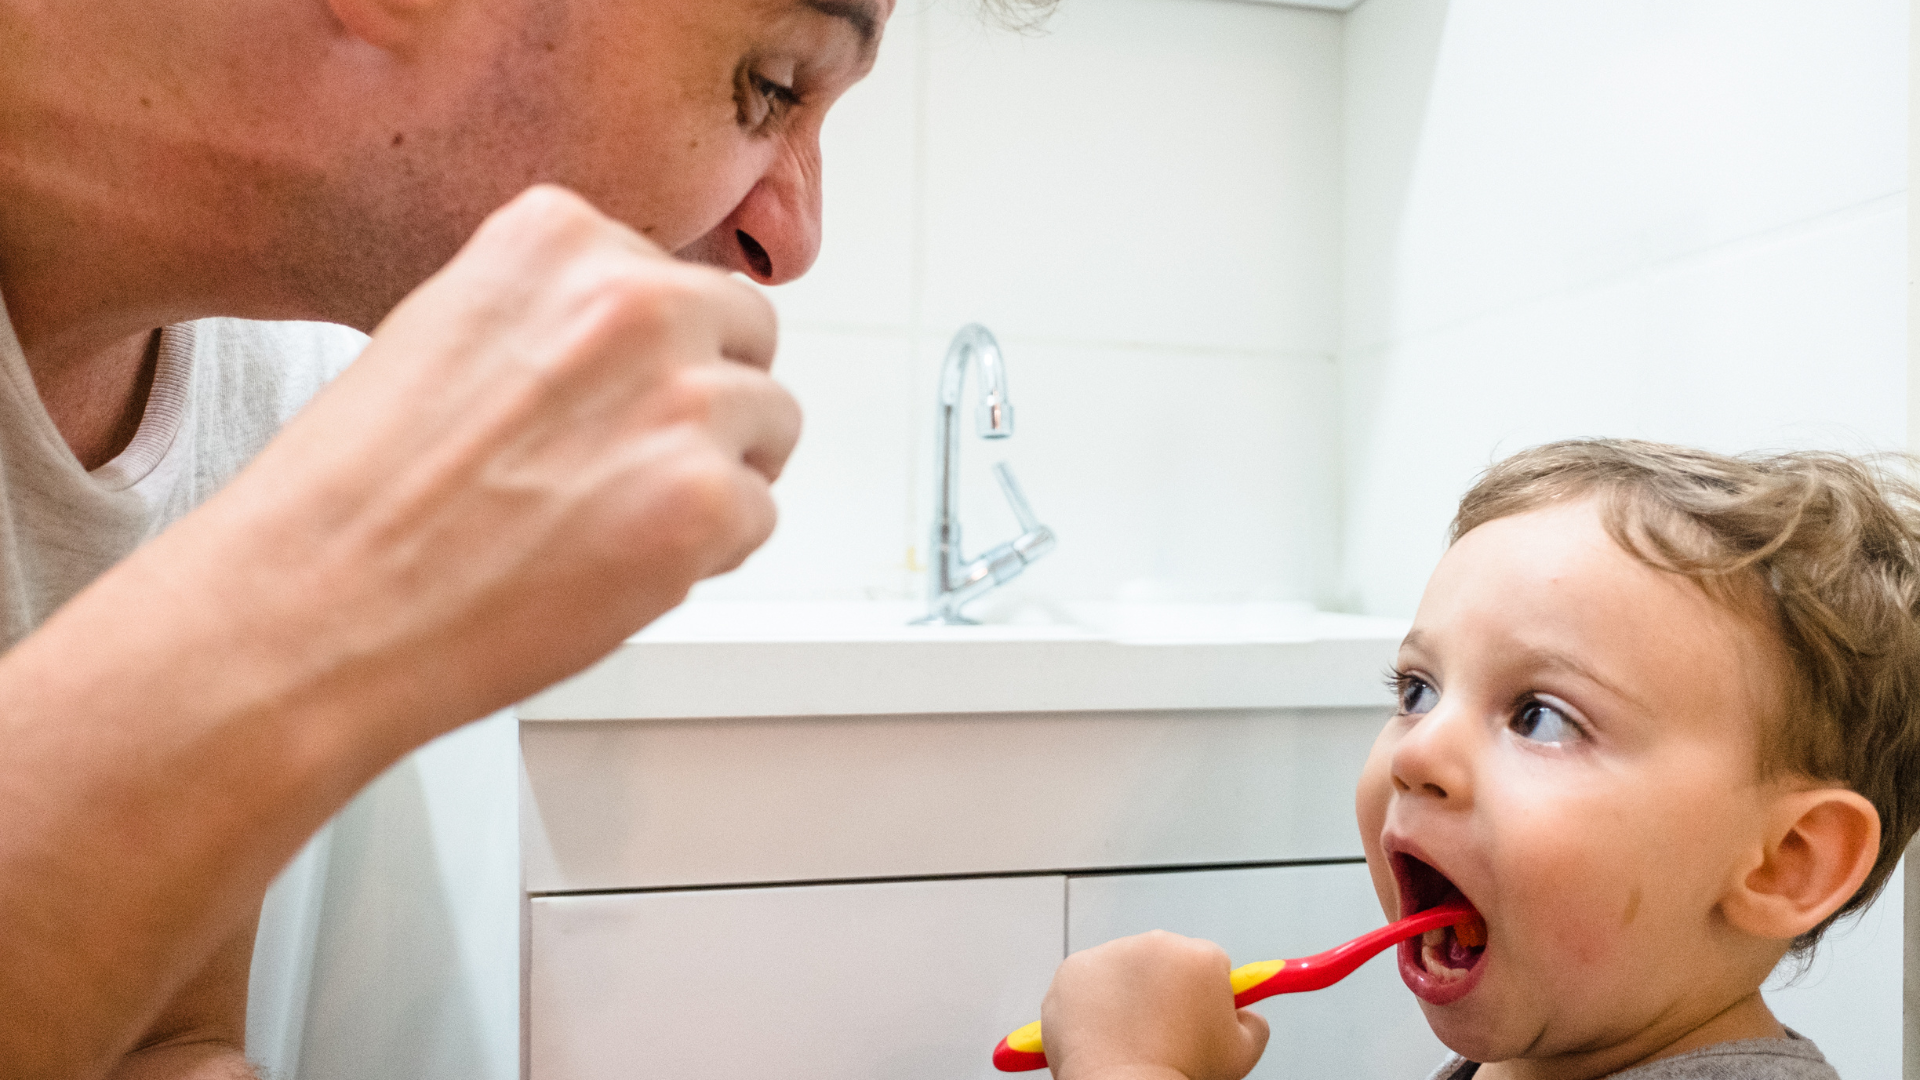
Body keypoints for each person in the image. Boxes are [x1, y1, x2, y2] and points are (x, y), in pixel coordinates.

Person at [0, 0, 1106, 1076]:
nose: (792, 236)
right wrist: (316, 594)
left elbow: (162, 1045)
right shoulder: (350, 429)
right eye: (769, 85)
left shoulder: (272, 367)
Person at [1036, 439, 1920, 1080]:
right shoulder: (1539, 1056)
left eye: (1540, 716)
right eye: (1417, 690)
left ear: (1785, 861)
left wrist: (1132, 1067)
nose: (1420, 750)